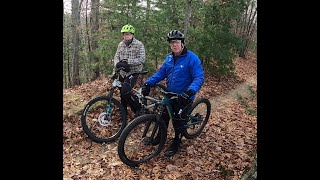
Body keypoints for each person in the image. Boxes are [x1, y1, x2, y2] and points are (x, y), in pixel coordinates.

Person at [141, 30, 205, 157]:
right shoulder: (169, 58)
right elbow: (161, 73)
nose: (174, 45)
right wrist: (148, 83)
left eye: (176, 42)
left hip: (184, 96)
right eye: (171, 43)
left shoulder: (192, 58)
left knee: (178, 122)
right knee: (163, 116)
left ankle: (177, 142)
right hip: (170, 94)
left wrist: (190, 90)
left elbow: (199, 77)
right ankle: (160, 137)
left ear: (182, 43)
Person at [113, 24, 146, 116]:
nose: (126, 36)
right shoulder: (121, 45)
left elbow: (142, 59)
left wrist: (128, 62)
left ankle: (139, 108)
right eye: (124, 34)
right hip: (122, 72)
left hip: (134, 71)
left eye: (128, 34)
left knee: (126, 91)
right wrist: (117, 64)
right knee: (122, 94)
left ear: (132, 35)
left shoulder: (139, 44)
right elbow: (116, 57)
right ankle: (124, 113)